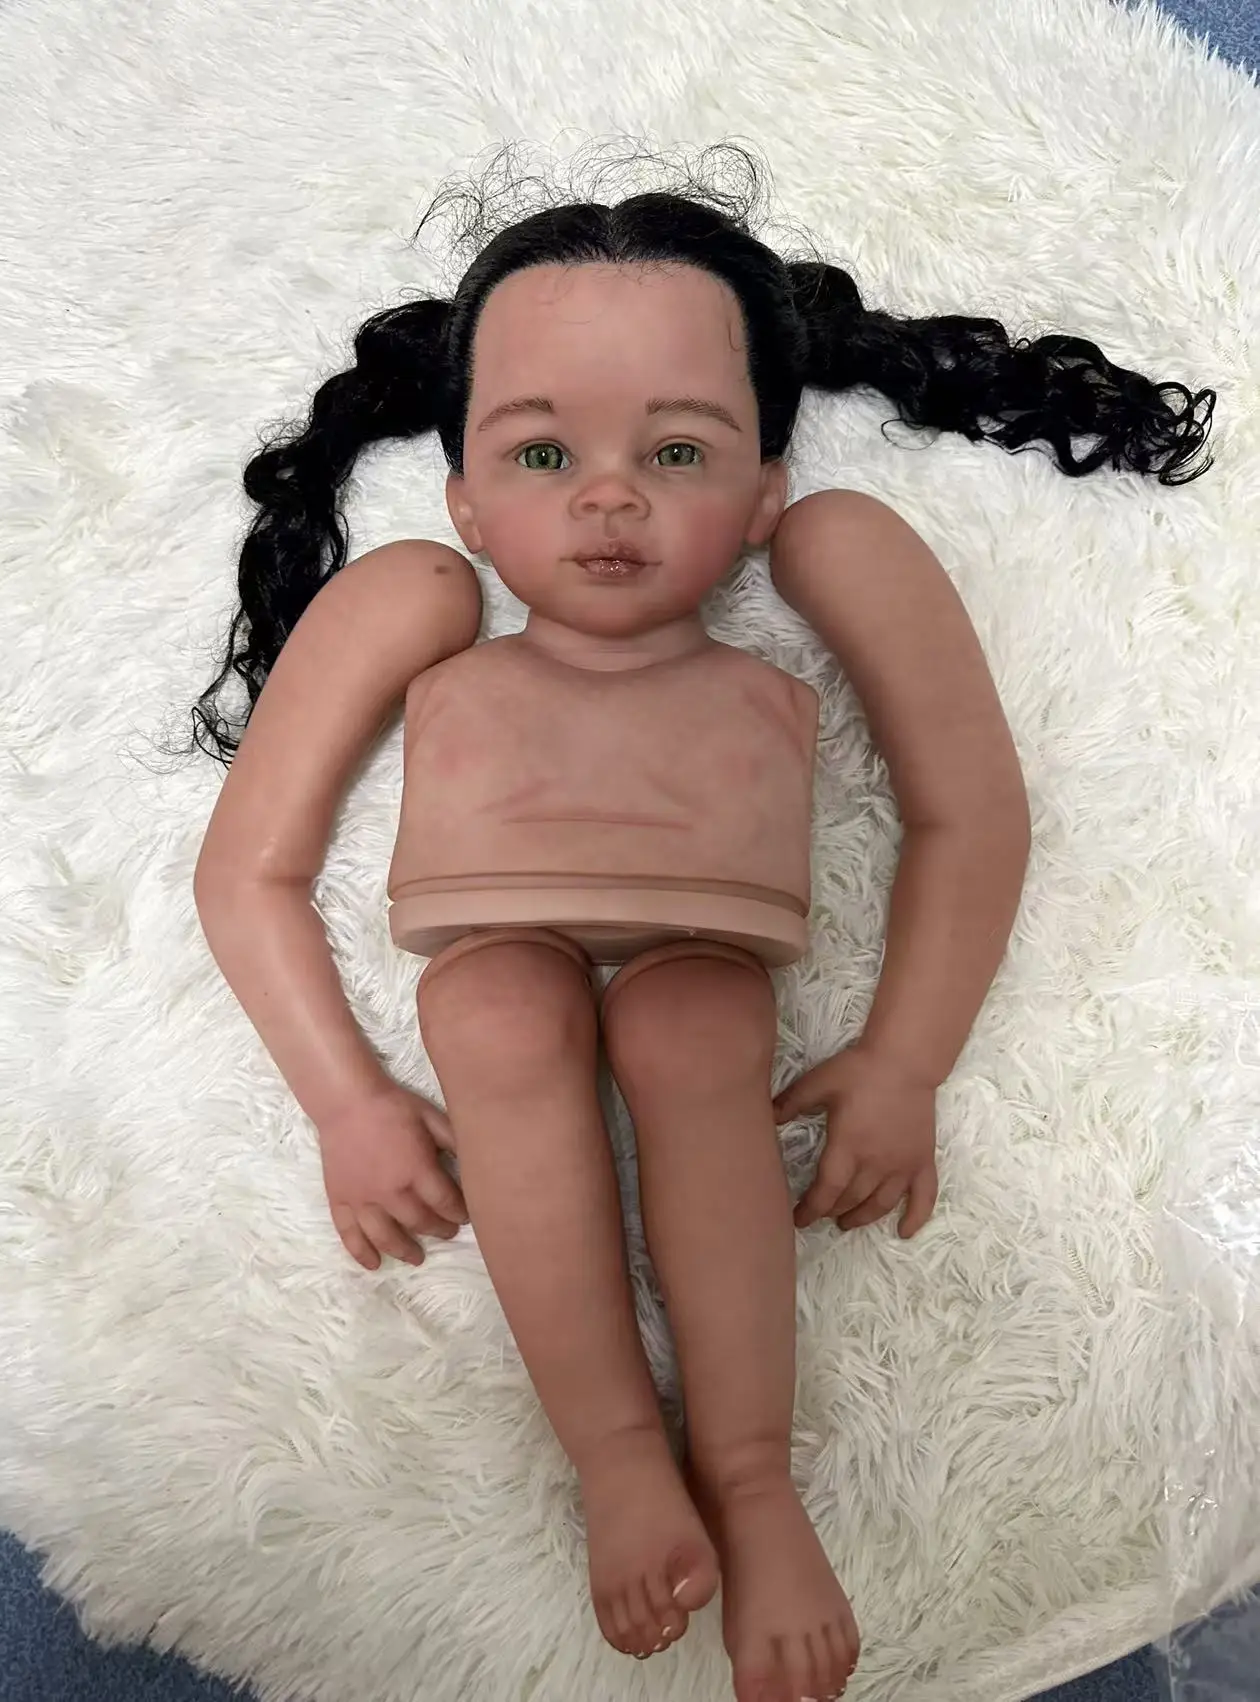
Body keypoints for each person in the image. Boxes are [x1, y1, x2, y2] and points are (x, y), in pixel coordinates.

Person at [186, 145, 1214, 1702]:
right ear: (464, 497)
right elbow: (245, 870)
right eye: (542, 454)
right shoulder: (413, 597)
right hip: (492, 952)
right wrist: (345, 1100)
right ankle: (617, 1459)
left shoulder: (831, 554)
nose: (608, 495)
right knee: (495, 1009)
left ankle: (749, 1475)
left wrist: (906, 1059)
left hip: (709, 958)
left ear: (762, 495)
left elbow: (971, 810)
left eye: (678, 451)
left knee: (693, 1019)